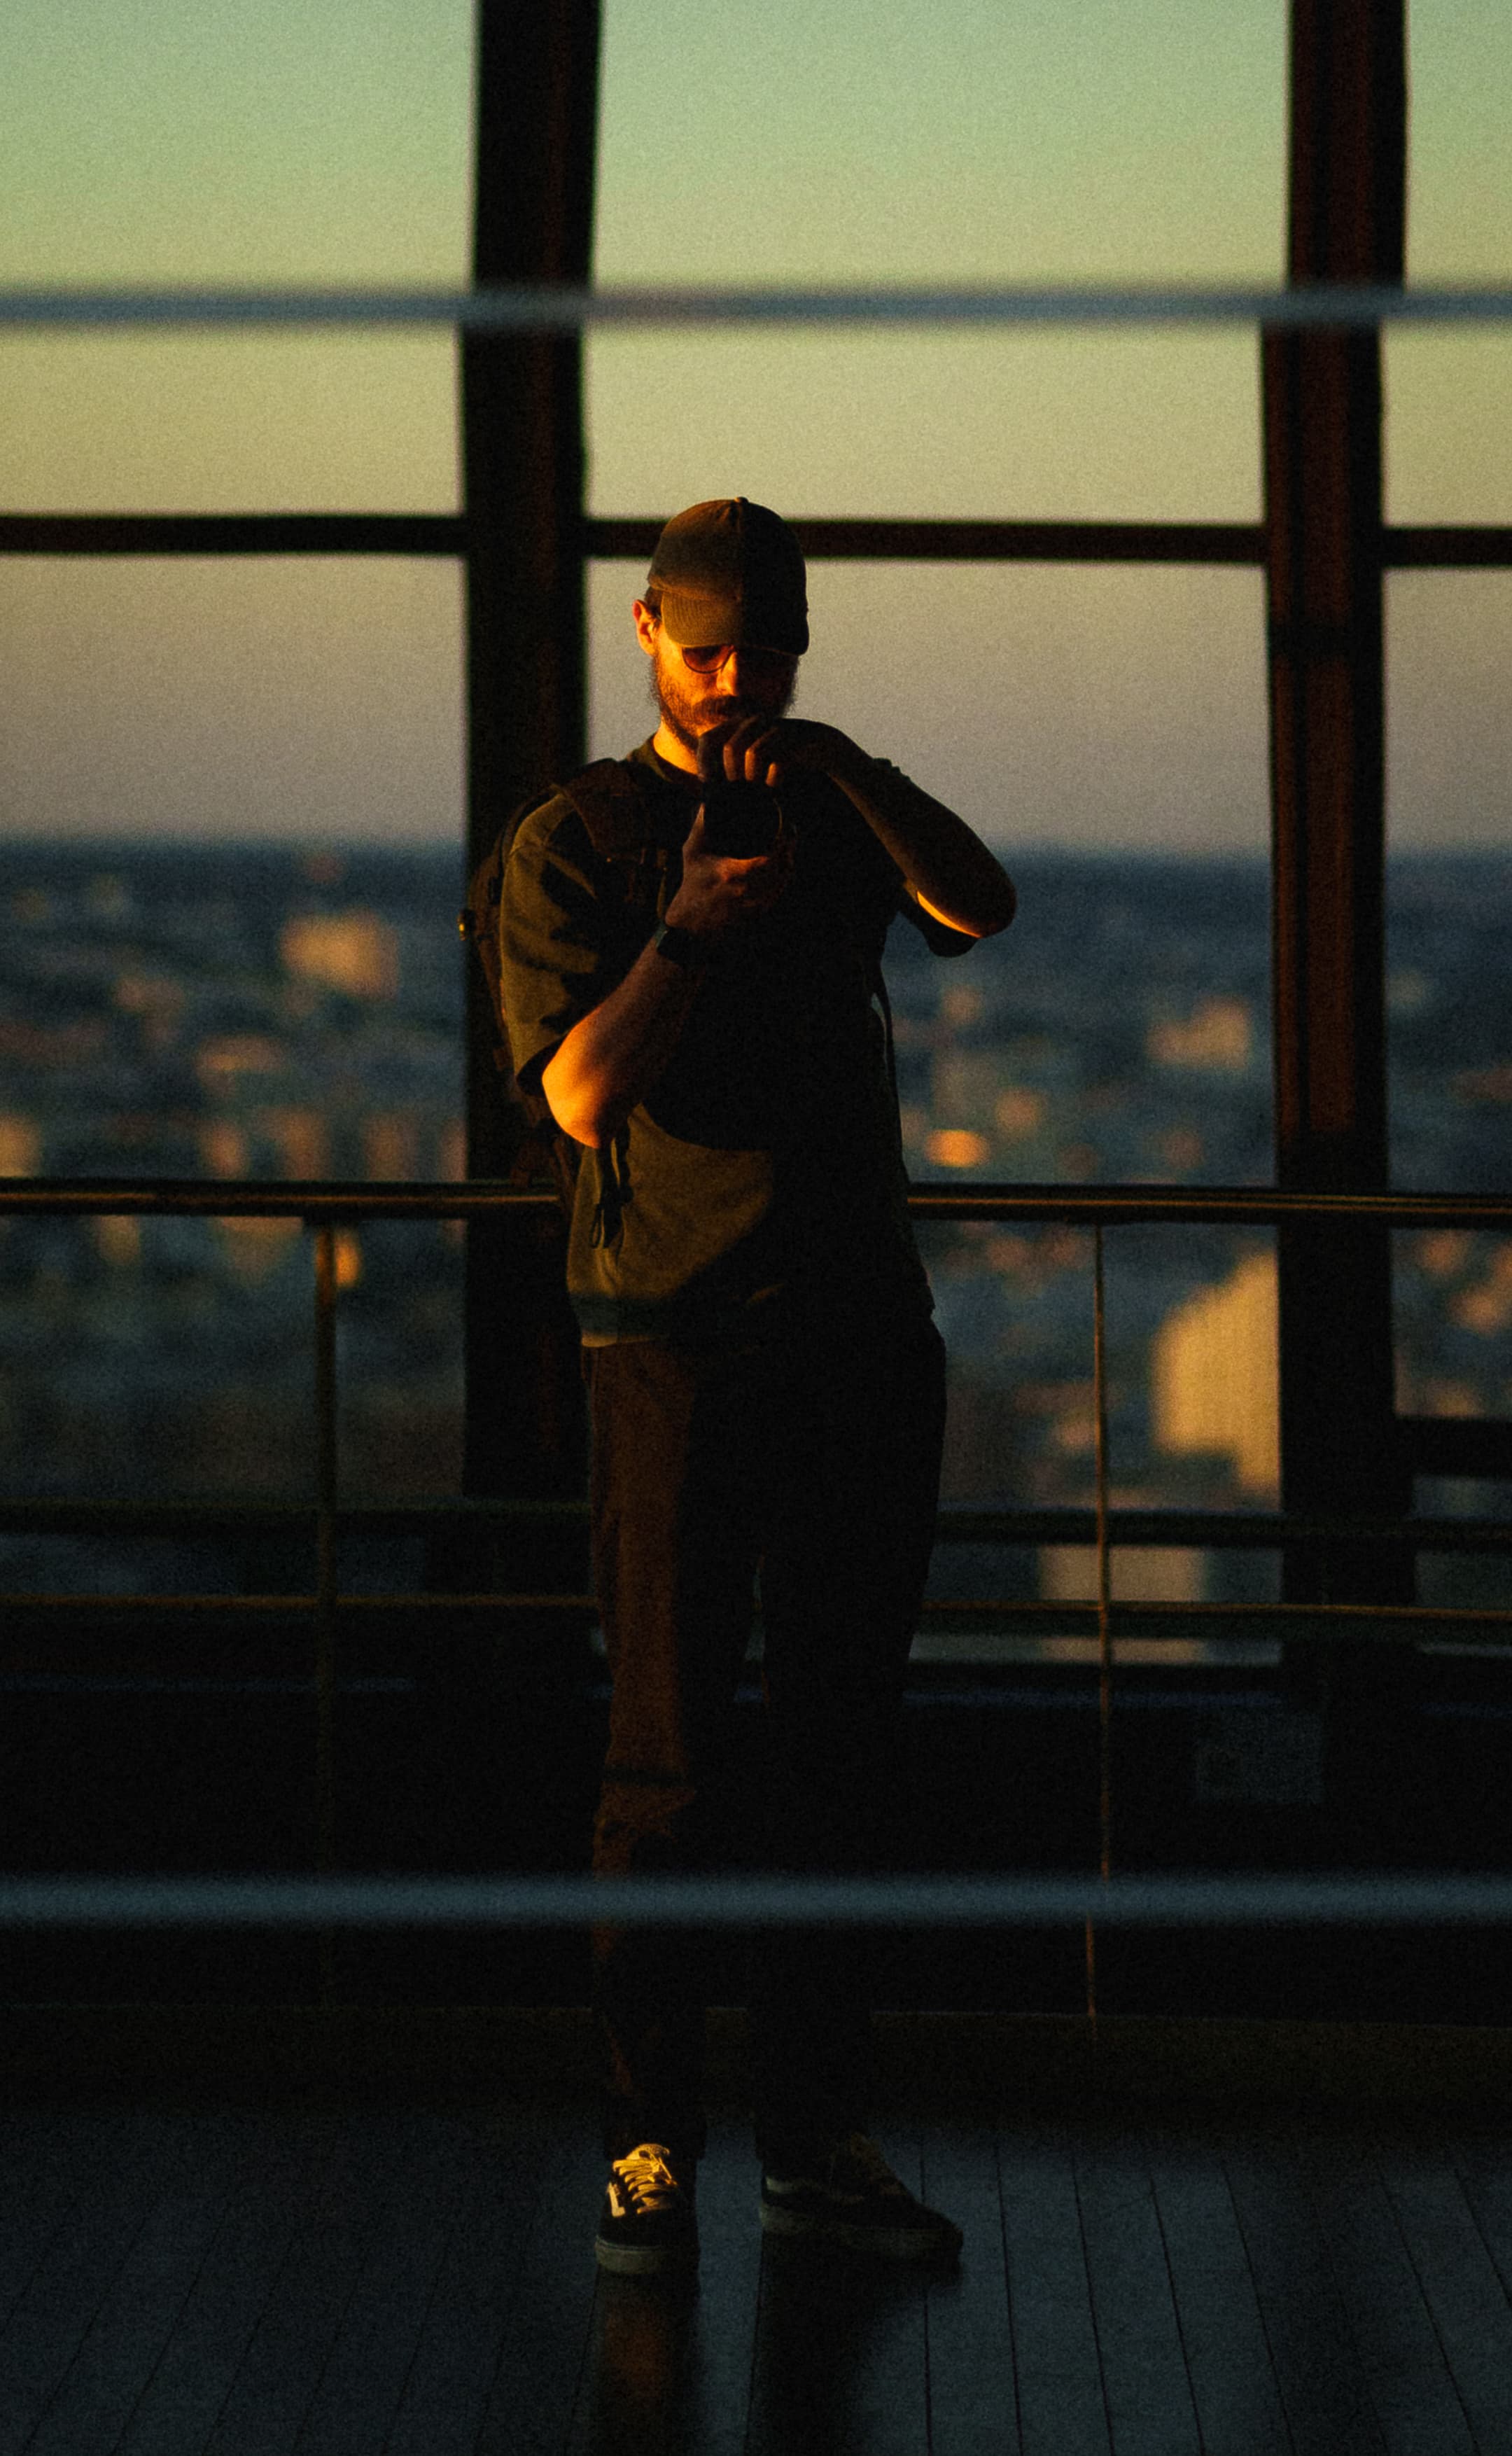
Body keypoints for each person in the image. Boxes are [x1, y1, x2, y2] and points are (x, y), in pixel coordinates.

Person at [498, 497, 1015, 2277]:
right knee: (665, 1759)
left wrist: (842, 763)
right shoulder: (580, 841)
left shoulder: (824, 793)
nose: (734, 684)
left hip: (861, 1334)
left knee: (840, 1750)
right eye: (708, 651)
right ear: (644, 628)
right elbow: (574, 1098)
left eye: (768, 655)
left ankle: (814, 2129)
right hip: (667, 1338)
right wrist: (697, 927)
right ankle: (650, 2139)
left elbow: (979, 899)